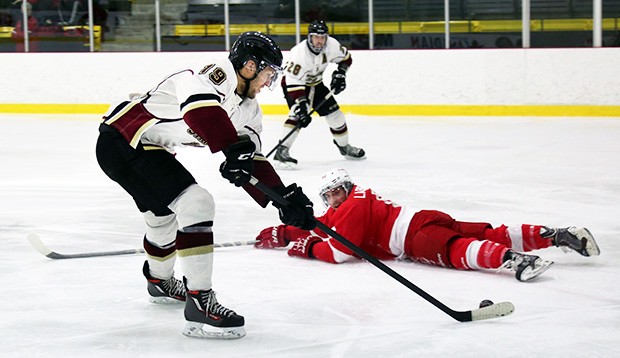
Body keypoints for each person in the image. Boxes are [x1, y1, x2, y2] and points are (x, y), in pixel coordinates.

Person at [95, 31, 316, 340]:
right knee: (196, 202)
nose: (269, 82)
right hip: (120, 140)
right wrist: (229, 149)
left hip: (149, 148)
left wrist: (284, 199)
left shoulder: (249, 110)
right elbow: (200, 111)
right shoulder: (214, 74)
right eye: (268, 73)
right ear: (249, 66)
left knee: (162, 218)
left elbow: (251, 158)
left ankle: (159, 282)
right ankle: (200, 301)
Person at [255, 168, 600, 282]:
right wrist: (286, 233)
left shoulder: (351, 209)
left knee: (456, 251)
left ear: (341, 190)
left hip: (413, 237)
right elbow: (323, 224)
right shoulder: (354, 202)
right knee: (485, 232)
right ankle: (556, 236)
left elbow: (343, 251)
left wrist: (309, 249)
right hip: (424, 219)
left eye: (331, 195)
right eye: (328, 196)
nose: (329, 201)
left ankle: (515, 260)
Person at [274, 20, 366, 169]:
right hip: (295, 86)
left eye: (323, 37)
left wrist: (341, 74)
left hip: (316, 85)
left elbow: (346, 59)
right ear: (309, 37)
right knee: (297, 115)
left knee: (336, 116)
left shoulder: (332, 45)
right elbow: (293, 83)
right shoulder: (299, 54)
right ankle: (282, 150)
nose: (320, 41)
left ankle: (345, 147)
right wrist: (302, 105)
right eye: (316, 37)